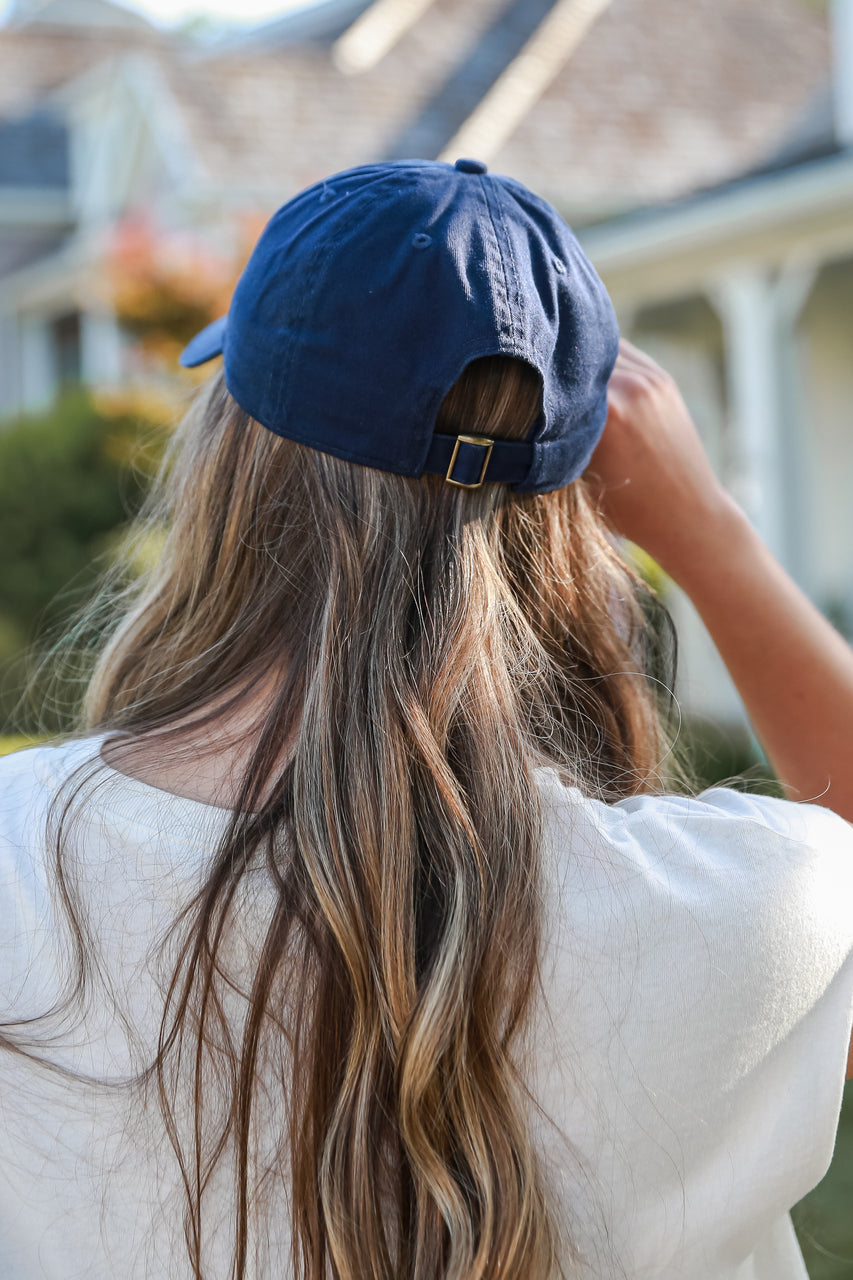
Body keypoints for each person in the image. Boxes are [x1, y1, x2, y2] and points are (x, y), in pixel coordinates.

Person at [0, 157, 851, 1280]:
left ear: (229, 466)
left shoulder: (22, 861)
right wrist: (711, 536)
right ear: (569, 516)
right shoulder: (745, 916)